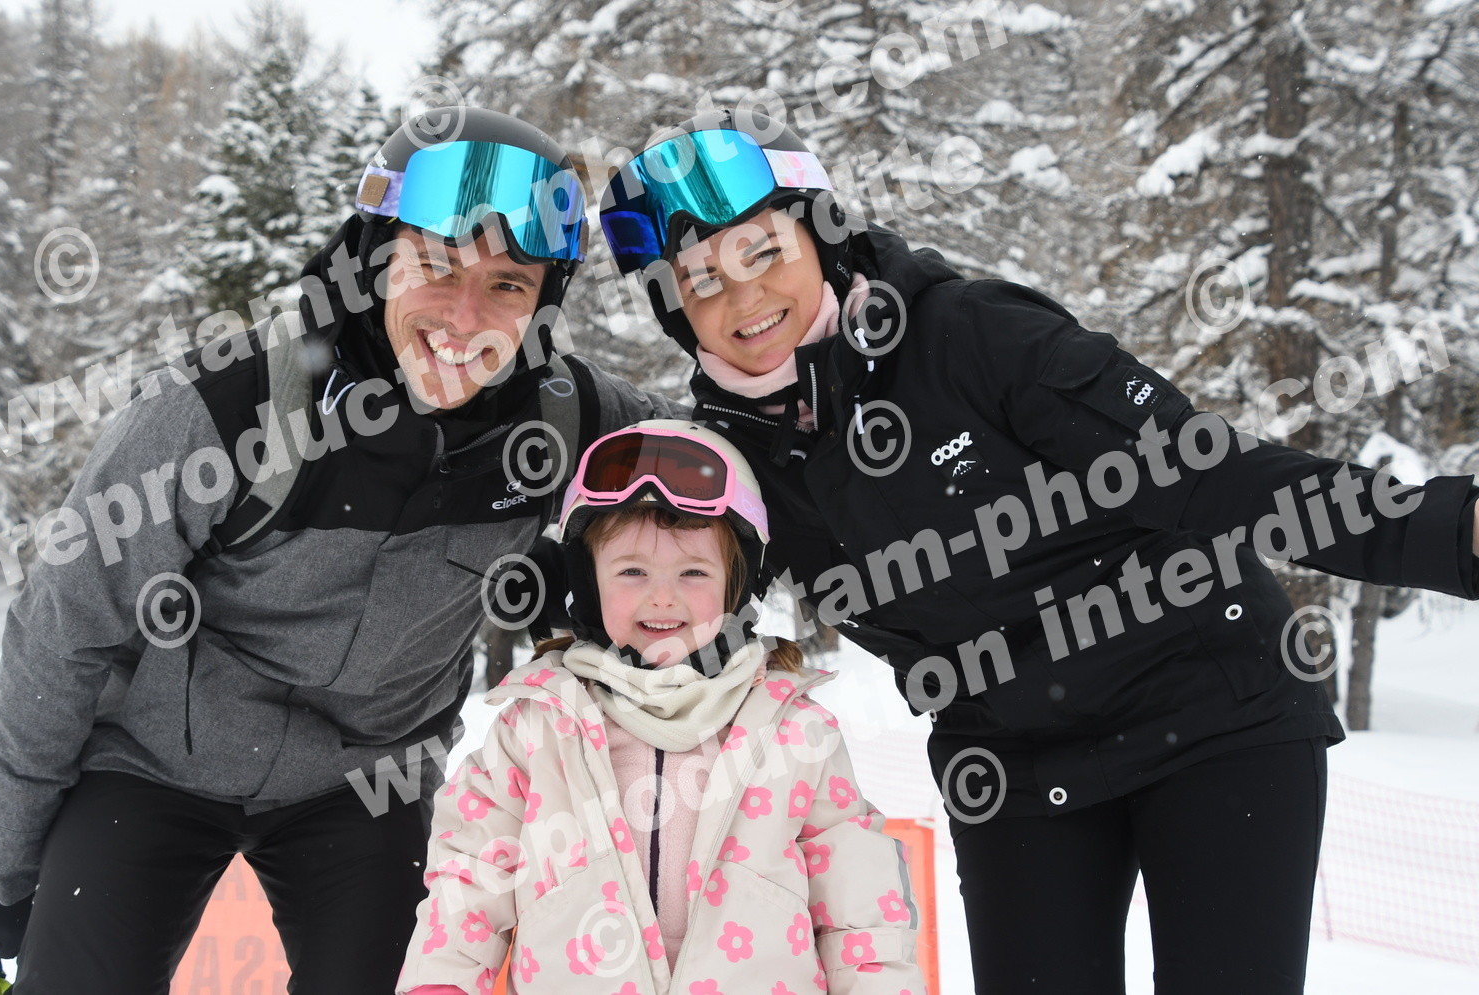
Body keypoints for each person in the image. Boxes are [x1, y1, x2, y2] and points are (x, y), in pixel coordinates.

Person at [596, 108, 1479, 995]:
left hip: (1209, 708)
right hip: (1011, 760)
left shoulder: (972, 336)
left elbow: (1216, 476)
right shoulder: (734, 463)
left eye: (762, 251)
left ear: (819, 235)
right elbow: (669, 610)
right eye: (702, 279)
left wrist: (1453, 531)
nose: (743, 297)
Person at [0, 107, 681, 993]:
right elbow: (62, 629)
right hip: (152, 769)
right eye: (436, 264)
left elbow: (725, 455)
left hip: (364, 787)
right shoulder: (223, 405)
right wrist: (3, 865)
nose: (465, 317)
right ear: (376, 257)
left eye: (507, 283)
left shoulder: (562, 420)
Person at [396, 420, 927, 995]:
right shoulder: (537, 728)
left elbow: (861, 905)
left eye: (693, 572)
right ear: (588, 582)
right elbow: (469, 881)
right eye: (632, 571)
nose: (662, 596)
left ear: (737, 586)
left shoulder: (795, 732)